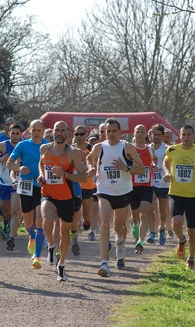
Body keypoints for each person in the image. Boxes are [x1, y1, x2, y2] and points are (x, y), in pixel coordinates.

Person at [87, 118, 145, 277]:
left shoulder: (127, 147)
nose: (111, 134)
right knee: (105, 225)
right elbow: (89, 158)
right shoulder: (99, 147)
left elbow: (141, 169)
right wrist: (92, 168)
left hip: (123, 192)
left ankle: (120, 245)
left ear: (120, 132)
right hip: (104, 190)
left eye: (114, 131)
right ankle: (104, 263)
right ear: (104, 133)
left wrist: (126, 167)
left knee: (119, 227)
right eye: (108, 131)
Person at [39, 121, 87, 281]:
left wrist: (65, 175)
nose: (59, 133)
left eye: (62, 131)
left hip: (66, 197)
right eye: (56, 130)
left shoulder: (72, 152)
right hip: (48, 193)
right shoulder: (44, 148)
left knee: (64, 234)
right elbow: (41, 164)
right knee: (47, 221)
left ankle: (62, 266)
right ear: (53, 132)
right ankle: (51, 246)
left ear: (68, 133)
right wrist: (41, 175)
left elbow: (83, 176)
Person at [163, 125, 195, 270]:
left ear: (194, 136)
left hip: (193, 196)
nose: (186, 137)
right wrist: (167, 172)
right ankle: (181, 239)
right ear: (180, 135)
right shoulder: (172, 150)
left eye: (189, 134)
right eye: (183, 134)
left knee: (192, 230)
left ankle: (191, 258)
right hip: (176, 193)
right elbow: (166, 162)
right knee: (176, 222)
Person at [6, 119, 49, 269]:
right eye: (34, 130)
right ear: (30, 131)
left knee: (40, 220)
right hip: (26, 185)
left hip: (42, 186)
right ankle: (31, 234)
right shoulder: (22, 145)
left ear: (43, 131)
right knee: (28, 220)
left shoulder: (47, 146)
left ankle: (36, 256)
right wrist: (19, 168)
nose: (36, 133)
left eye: (39, 130)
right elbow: (9, 163)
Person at [0, 123, 22, 244]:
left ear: (20, 134)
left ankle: (8, 228)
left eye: (17, 133)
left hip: (17, 181)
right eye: (12, 133)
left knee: (14, 209)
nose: (15, 135)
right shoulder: (2, 146)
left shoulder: (24, 146)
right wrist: (1, 159)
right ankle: (6, 223)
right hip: (4, 181)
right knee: (5, 207)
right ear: (9, 133)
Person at [131, 124, 156, 254]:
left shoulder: (150, 149)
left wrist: (155, 166)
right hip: (132, 186)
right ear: (134, 134)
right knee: (135, 215)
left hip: (147, 186)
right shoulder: (129, 149)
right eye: (137, 132)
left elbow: (155, 161)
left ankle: (141, 240)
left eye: (142, 132)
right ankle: (135, 224)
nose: (140, 134)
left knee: (144, 211)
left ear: (146, 134)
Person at [72, 125, 96, 248]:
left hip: (87, 186)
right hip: (73, 185)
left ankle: (87, 222)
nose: (79, 137)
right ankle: (75, 240)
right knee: (74, 214)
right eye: (77, 134)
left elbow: (96, 164)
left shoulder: (91, 149)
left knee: (87, 215)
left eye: (81, 134)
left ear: (86, 135)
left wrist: (91, 168)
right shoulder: (70, 149)